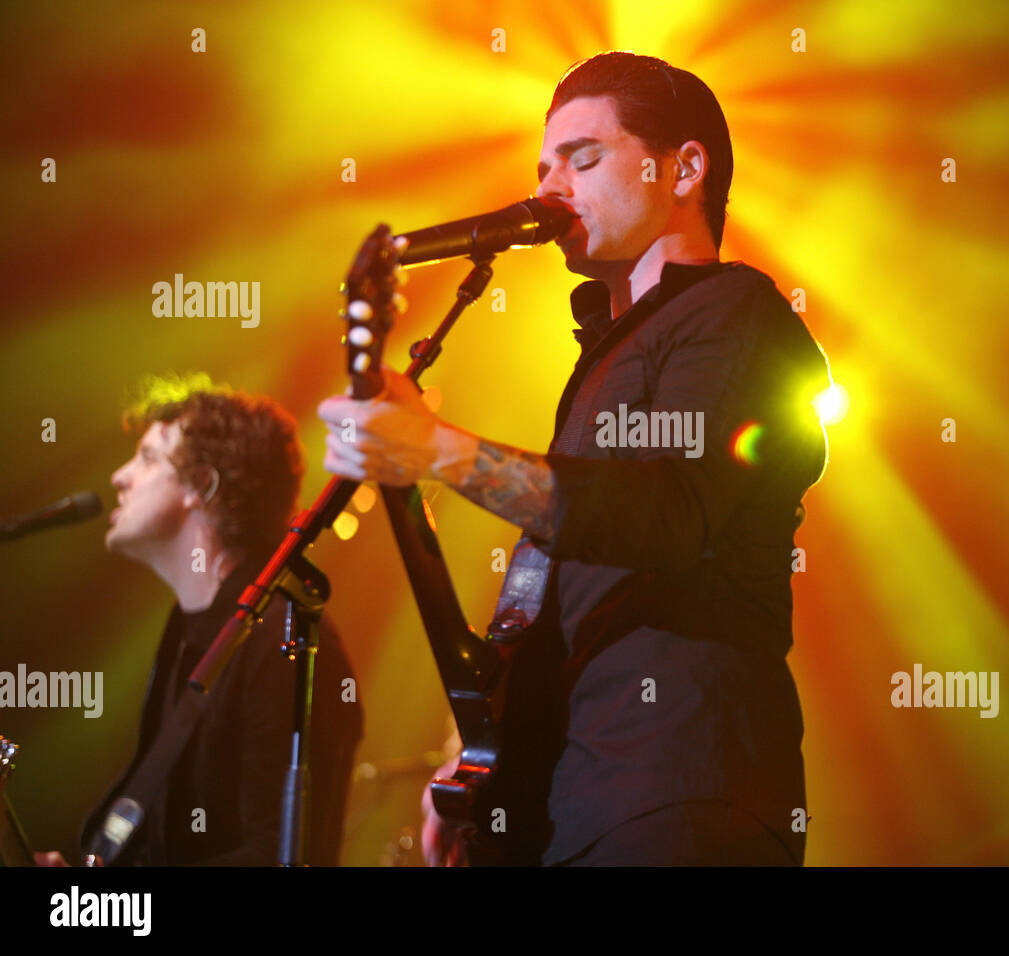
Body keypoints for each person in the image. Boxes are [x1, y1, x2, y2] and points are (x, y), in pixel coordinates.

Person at [320, 52, 829, 866]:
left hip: (677, 795)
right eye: (543, 167)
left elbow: (667, 512)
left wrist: (441, 450)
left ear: (684, 167)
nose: (551, 188)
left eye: (582, 159)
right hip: (572, 804)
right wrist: (482, 759)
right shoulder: (603, 357)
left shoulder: (735, 316)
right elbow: (566, 592)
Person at [35, 375, 363, 866]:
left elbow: (280, 857)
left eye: (148, 459)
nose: (120, 476)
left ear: (202, 486)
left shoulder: (287, 641)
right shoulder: (190, 625)